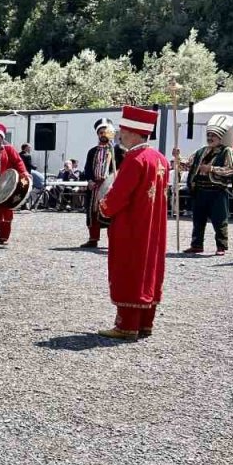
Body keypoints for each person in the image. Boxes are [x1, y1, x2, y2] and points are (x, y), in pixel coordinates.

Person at [96, 105, 169, 340]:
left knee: (129, 270)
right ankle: (145, 323)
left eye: (124, 131)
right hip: (153, 227)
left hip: (132, 226)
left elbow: (119, 195)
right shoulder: (160, 159)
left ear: (136, 133)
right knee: (149, 270)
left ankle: (126, 325)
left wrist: (103, 207)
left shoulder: (135, 159)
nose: (120, 135)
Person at [175, 114, 233, 256]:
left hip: (217, 191)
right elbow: (188, 165)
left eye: (213, 135)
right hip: (200, 191)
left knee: (219, 220)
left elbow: (231, 170)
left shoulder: (228, 151)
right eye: (208, 135)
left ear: (220, 137)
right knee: (198, 219)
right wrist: (178, 157)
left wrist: (211, 169)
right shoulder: (202, 151)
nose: (210, 138)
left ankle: (221, 246)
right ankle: (197, 245)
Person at [80, 119, 125, 248]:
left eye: (105, 132)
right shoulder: (92, 151)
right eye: (101, 132)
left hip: (110, 186)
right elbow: (87, 168)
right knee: (93, 212)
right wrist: (89, 181)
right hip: (94, 187)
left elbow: (122, 168)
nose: (103, 135)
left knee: (110, 212)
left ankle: (113, 240)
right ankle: (93, 238)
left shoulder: (117, 150)